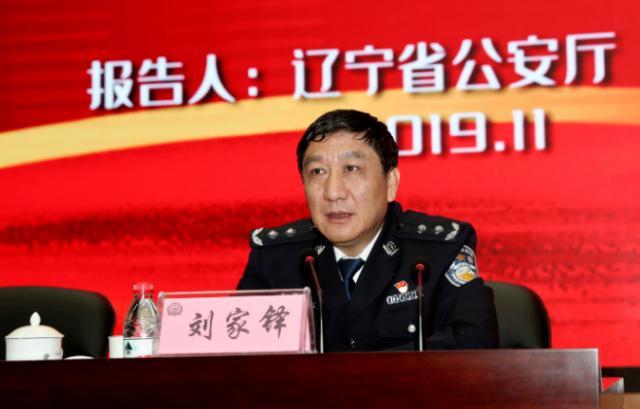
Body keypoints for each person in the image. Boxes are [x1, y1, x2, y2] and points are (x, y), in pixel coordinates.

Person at [237, 109, 498, 351]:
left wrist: (360, 378)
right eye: (318, 172)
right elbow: (236, 354)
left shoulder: (438, 251)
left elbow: (475, 342)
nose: (333, 192)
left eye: (351, 169)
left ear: (390, 183)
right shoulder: (274, 259)